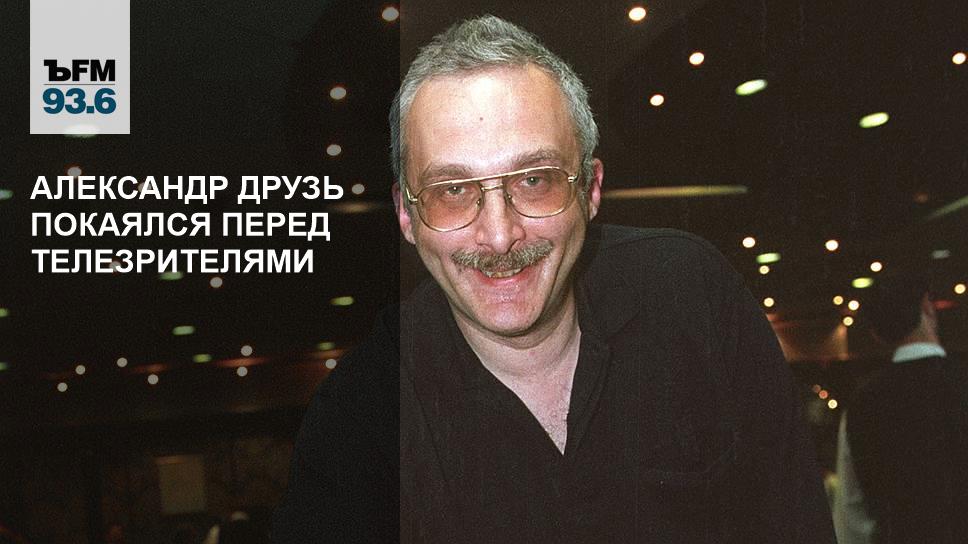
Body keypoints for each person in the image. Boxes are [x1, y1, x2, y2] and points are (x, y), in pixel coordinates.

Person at [274, 15, 834, 543]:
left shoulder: (692, 296)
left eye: (534, 180)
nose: (499, 237)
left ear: (590, 189)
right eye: (453, 191)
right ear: (406, 214)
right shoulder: (358, 425)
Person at [833, 274, 968, 543]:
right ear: (927, 306)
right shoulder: (961, 381)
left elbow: (851, 518)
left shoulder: (863, 404)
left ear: (876, 334)